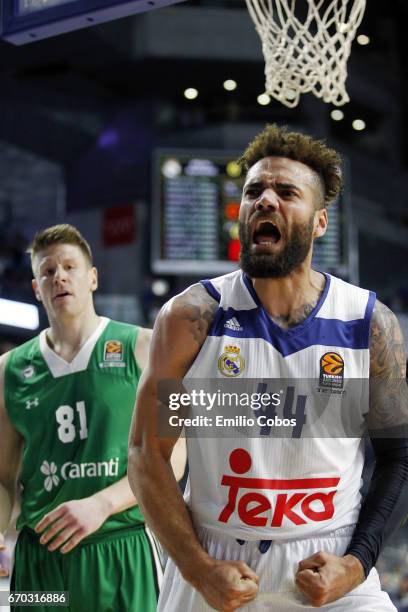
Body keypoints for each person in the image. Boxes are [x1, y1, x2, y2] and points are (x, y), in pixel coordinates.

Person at [128, 124, 408, 611]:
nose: (264, 200)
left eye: (286, 192)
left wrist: (358, 561)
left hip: (330, 558)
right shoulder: (191, 318)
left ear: (320, 222)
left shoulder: (370, 324)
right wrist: (197, 568)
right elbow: (146, 454)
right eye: (254, 190)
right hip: (216, 561)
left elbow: (399, 457)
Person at [0, 224, 185, 612]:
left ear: (93, 278)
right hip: (40, 563)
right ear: (36, 288)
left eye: (70, 266)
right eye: (47, 272)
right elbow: (3, 478)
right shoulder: (8, 370)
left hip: (122, 546)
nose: (59, 277)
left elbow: (175, 456)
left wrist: (101, 503)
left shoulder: (150, 346)